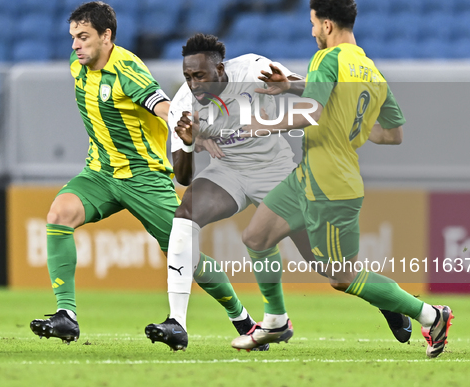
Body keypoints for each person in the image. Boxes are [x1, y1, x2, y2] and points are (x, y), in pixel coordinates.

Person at [144, 33, 409, 352]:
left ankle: (389, 303)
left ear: (221, 69)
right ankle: (177, 322)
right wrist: (187, 140)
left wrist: (294, 88)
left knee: (330, 267)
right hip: (227, 172)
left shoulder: (253, 68)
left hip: (274, 170)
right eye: (188, 76)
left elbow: (310, 90)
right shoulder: (183, 106)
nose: (194, 84)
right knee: (185, 215)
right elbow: (184, 177)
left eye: (200, 75)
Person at [230, 0, 453, 358]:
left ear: (327, 24)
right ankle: (274, 320)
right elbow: (393, 134)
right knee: (256, 237)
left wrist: (262, 124)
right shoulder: (370, 70)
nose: (312, 31)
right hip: (308, 174)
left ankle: (431, 315)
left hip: (331, 184)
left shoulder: (325, 58)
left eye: (314, 24)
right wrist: (297, 91)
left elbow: (312, 112)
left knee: (342, 277)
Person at [29, 2, 258, 348]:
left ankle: (244, 321)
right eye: (73, 37)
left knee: (186, 255)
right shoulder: (80, 69)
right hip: (101, 173)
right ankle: (67, 317)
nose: (75, 44)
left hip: (144, 178)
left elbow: (161, 104)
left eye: (84, 36)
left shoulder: (127, 69)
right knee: (58, 215)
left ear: (107, 36)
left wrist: (188, 126)